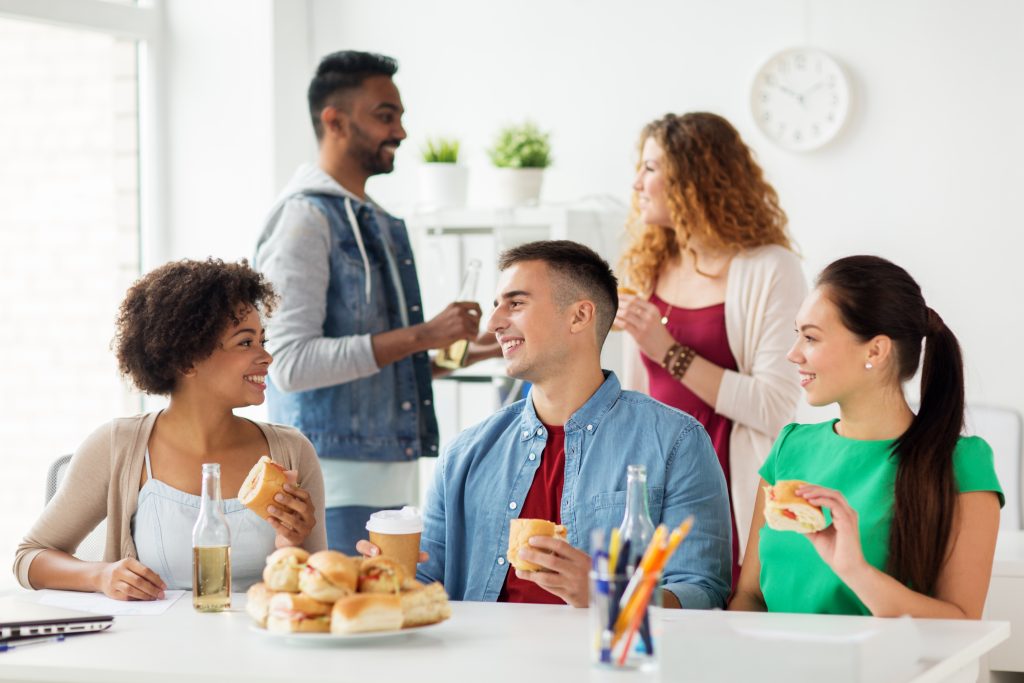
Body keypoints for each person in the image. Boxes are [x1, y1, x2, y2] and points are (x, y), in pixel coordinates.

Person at [361, 240, 732, 608]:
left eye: (516, 304)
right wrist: (380, 579)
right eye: (496, 307)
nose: (492, 324)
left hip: (602, 662)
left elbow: (701, 591)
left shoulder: (676, 441)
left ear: (579, 316)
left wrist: (608, 596)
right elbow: (428, 584)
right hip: (482, 665)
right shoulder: (463, 454)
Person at [253, 50, 496, 554]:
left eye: (400, 116)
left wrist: (484, 349)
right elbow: (290, 365)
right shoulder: (305, 220)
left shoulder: (379, 221)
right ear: (335, 121)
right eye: (386, 115)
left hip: (395, 483)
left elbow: (387, 371)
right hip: (330, 488)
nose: (401, 132)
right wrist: (425, 334)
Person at [13, 259, 326, 600]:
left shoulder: (291, 451)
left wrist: (291, 544)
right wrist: (101, 575)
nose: (267, 357)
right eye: (245, 343)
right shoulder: (117, 446)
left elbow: (316, 591)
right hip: (151, 648)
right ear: (187, 359)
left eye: (263, 341)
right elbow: (29, 558)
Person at [729, 255, 1002, 617]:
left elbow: (962, 622)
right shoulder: (789, 447)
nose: (793, 354)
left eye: (810, 337)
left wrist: (855, 572)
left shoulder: (961, 463)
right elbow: (749, 598)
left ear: (875, 350)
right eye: (797, 335)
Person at [615, 112, 806, 587]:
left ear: (695, 180)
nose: (637, 182)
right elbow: (635, 403)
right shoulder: (650, 267)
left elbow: (775, 405)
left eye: (652, 169)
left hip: (730, 488)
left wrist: (669, 352)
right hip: (656, 489)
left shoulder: (770, 269)